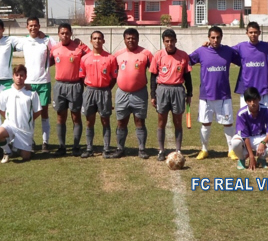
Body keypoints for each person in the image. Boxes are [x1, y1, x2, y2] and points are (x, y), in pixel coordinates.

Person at [189, 26, 241, 160]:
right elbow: (187, 61)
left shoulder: (228, 51)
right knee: (205, 123)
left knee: (228, 123)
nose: (215, 40)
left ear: (222, 37)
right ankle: (204, 149)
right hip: (206, 96)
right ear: (208, 38)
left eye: (218, 37)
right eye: (213, 37)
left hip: (224, 95)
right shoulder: (201, 51)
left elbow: (244, 61)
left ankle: (231, 150)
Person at [108, 28, 154, 159]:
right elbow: (112, 75)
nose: (131, 40)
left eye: (133, 38)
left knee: (139, 121)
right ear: (124, 39)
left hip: (139, 93)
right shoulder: (117, 55)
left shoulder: (146, 54)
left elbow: (154, 72)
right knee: (121, 121)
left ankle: (142, 149)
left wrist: (154, 92)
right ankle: (120, 148)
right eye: (128, 38)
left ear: (138, 39)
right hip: (122, 93)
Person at [150, 29, 193, 161]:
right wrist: (153, 95)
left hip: (178, 89)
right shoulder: (158, 55)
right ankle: (161, 150)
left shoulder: (183, 55)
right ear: (163, 42)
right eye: (167, 41)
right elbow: (153, 76)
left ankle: (178, 150)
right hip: (162, 89)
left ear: (176, 41)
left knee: (178, 121)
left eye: (172, 41)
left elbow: (188, 76)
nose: (170, 43)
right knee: (161, 121)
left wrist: (189, 94)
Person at [51, 24, 90, 155]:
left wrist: (84, 45)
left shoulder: (79, 48)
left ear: (71, 34)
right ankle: (62, 146)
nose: (65, 35)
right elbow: (47, 62)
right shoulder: (54, 49)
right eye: (62, 33)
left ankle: (76, 146)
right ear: (58, 34)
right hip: (60, 86)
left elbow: (91, 56)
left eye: (67, 33)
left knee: (75, 116)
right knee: (60, 116)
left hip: (75, 85)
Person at [21, 16, 58, 153]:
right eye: (30, 25)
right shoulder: (23, 41)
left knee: (44, 112)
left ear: (39, 26)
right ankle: (29, 141)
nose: (33, 28)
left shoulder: (47, 40)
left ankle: (45, 142)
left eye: (35, 25)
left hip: (44, 82)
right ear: (27, 27)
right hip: (28, 83)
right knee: (29, 113)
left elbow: (60, 48)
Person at [79, 31, 118, 158]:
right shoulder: (84, 58)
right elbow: (82, 76)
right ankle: (89, 148)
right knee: (89, 121)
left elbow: (114, 77)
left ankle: (106, 149)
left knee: (105, 120)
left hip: (104, 91)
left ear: (103, 41)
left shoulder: (110, 58)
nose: (97, 41)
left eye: (99, 38)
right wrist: (90, 88)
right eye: (94, 38)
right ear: (91, 41)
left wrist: (106, 89)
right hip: (89, 91)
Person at [0, 64, 42, 162]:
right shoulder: (5, 92)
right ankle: (7, 151)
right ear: (13, 76)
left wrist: (28, 120)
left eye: (21, 75)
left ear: (25, 76)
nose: (19, 77)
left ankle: (17, 146)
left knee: (26, 157)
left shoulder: (32, 93)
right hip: (10, 126)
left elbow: (38, 111)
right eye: (17, 75)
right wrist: (9, 119)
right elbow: (1, 110)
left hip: (25, 129)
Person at [230, 87, 268, 171]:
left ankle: (261, 158)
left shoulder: (267, 111)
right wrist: (251, 156)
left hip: (260, 137)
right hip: (245, 139)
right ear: (246, 101)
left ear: (259, 99)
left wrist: (263, 143)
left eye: (254, 100)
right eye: (249, 101)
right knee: (235, 143)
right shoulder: (241, 113)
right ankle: (242, 159)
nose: (252, 103)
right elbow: (245, 136)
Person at [233, 22, 268, 110]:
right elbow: (225, 51)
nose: (253, 34)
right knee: (246, 115)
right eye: (251, 32)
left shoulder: (267, 46)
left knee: (266, 115)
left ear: (259, 32)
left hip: (263, 89)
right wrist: (208, 45)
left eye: (255, 32)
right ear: (247, 33)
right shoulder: (241, 46)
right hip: (246, 89)